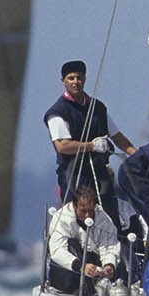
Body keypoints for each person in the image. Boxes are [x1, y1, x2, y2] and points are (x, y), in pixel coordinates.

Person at [43, 59, 129, 216]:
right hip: (74, 174)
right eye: (71, 78)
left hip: (99, 171)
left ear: (85, 79)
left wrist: (137, 155)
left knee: (109, 213)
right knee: (79, 215)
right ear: (63, 81)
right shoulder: (58, 112)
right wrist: (92, 146)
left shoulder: (98, 108)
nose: (76, 82)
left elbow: (117, 136)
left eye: (79, 78)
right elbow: (62, 146)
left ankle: (111, 239)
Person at [45, 185, 124, 296]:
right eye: (83, 211)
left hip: (93, 263)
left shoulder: (104, 219)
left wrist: (109, 264)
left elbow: (109, 244)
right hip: (67, 269)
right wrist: (81, 266)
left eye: (91, 211)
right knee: (72, 245)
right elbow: (57, 250)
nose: (88, 216)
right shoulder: (61, 218)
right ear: (74, 205)